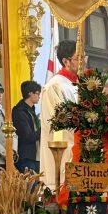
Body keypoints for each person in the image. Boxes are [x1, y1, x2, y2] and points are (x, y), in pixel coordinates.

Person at [39, 40, 81, 189]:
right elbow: (58, 124)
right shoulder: (55, 86)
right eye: (79, 58)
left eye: (84, 57)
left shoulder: (79, 85)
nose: (83, 62)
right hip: (62, 154)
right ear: (66, 61)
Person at [12, 80, 42, 173]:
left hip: (34, 156)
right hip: (26, 156)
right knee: (30, 186)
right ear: (30, 93)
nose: (39, 96)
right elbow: (28, 136)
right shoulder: (20, 111)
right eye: (37, 93)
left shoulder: (31, 110)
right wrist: (44, 129)